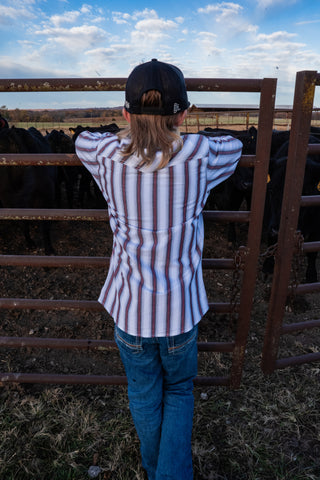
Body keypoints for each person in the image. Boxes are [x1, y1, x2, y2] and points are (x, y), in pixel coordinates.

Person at [75, 58, 243, 480]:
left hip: (130, 311)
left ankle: (156, 470)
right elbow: (236, 147)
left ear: (126, 113)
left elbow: (82, 139)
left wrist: (126, 132)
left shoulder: (104, 155)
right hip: (180, 312)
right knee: (180, 390)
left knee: (144, 393)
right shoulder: (201, 156)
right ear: (183, 114)